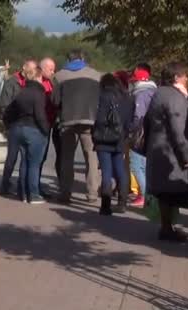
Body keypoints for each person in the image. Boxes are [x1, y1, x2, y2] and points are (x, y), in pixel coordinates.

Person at [144, 62, 188, 241]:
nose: (187, 79)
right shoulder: (175, 98)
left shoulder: (159, 93)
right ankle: (168, 229)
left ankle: (166, 227)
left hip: (158, 149)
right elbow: (179, 129)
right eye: (185, 76)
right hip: (170, 152)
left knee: (164, 193)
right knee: (170, 190)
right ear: (177, 77)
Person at [52, 49, 102, 203]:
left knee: (67, 158)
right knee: (91, 157)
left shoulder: (59, 76)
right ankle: (93, 193)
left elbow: (55, 101)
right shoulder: (96, 75)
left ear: (68, 59)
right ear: (82, 58)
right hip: (90, 120)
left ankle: (65, 193)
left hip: (68, 121)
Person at [3, 65, 50, 203]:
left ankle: (22, 193)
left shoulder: (21, 92)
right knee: (34, 163)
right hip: (33, 129)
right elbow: (40, 115)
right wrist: (45, 130)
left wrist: (10, 126)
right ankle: (33, 194)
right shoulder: (38, 94)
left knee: (24, 163)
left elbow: (9, 112)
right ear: (38, 77)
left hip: (17, 129)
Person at [92, 74, 134, 215]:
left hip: (104, 139)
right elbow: (129, 122)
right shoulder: (127, 98)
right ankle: (122, 203)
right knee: (120, 170)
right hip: (120, 138)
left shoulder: (102, 97)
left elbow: (98, 119)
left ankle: (106, 205)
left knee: (106, 171)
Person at [0, 58, 39, 196]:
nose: (32, 73)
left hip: (27, 125)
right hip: (14, 124)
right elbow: (4, 104)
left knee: (25, 157)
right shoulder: (12, 82)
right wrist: (9, 123)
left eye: (34, 70)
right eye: (30, 70)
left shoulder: (30, 84)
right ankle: (5, 184)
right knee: (12, 157)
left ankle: (22, 187)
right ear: (24, 67)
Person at [128, 63, 157, 207]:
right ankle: (147, 196)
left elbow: (138, 117)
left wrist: (130, 129)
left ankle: (144, 196)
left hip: (140, 135)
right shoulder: (154, 91)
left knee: (136, 165)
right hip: (151, 133)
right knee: (145, 166)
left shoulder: (140, 94)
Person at [38, 57, 58, 197]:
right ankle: (34, 187)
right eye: (50, 69)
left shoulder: (50, 82)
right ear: (42, 68)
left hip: (48, 123)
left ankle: (36, 184)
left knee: (42, 157)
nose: (53, 71)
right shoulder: (39, 84)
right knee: (37, 157)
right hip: (41, 124)